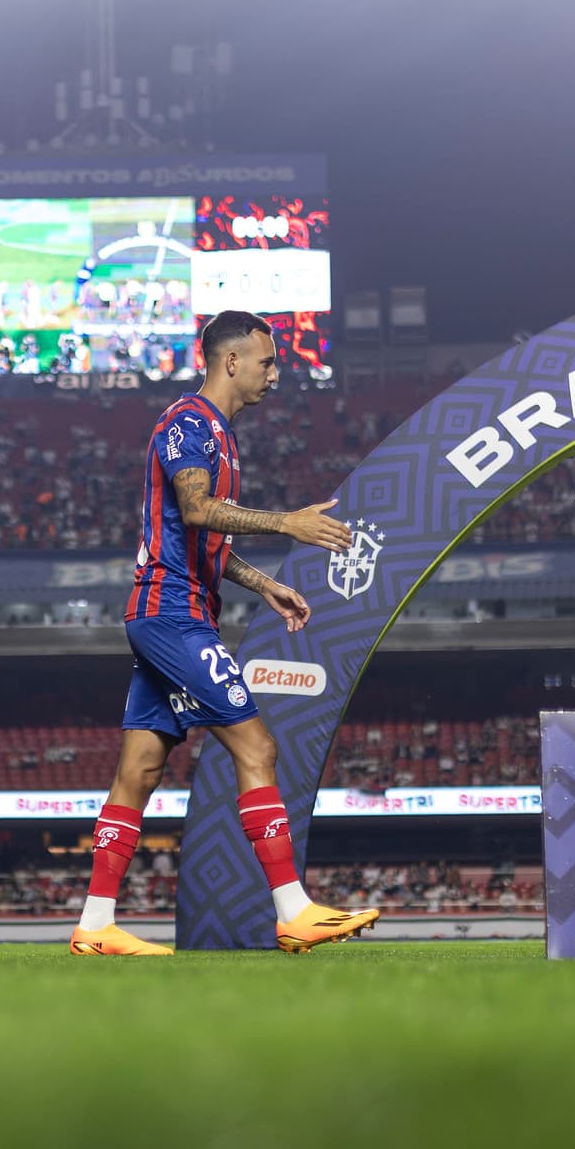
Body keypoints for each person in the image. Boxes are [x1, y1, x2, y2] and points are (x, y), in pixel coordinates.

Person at [71, 309, 375, 957]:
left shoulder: (222, 435)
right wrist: (289, 523)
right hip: (171, 614)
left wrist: (261, 582)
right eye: (267, 361)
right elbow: (198, 508)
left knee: (142, 766)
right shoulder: (188, 424)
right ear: (230, 361)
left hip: (177, 610)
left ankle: (95, 924)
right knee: (257, 747)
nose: (276, 372)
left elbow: (205, 540)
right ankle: (293, 909)